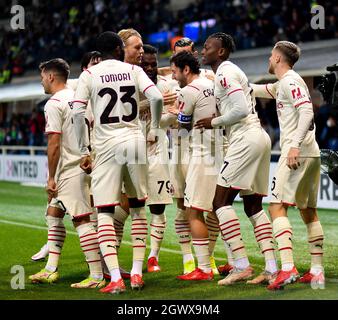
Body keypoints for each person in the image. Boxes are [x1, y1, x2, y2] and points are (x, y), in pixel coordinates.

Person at [72, 31, 163, 294]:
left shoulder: (90, 74)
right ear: (118, 48)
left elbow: (78, 112)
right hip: (135, 141)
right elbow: (156, 97)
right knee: (137, 208)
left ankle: (114, 277)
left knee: (105, 211)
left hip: (107, 144)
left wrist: (84, 149)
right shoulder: (132, 71)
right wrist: (154, 129)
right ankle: (136, 273)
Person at [196, 32, 277, 286]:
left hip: (245, 137)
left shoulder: (225, 72)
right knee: (253, 206)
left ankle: (241, 265)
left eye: (207, 47)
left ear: (220, 51)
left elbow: (240, 109)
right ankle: (272, 268)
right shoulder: (227, 72)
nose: (203, 50)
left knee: (220, 202)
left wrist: (214, 122)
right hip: (258, 137)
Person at [252, 41, 324, 290]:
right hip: (310, 153)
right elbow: (264, 90)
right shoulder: (286, 83)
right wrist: (239, 86)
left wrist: (293, 146)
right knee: (308, 210)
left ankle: (287, 267)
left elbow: (306, 112)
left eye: (271, 56)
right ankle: (316, 271)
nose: (269, 60)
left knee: (276, 206)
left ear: (278, 58)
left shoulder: (291, 81)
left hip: (297, 153)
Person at [29, 58, 104, 289]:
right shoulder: (80, 99)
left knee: (82, 220)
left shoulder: (53, 103)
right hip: (85, 164)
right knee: (53, 213)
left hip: (71, 169)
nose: (42, 81)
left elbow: (54, 143)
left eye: (43, 76)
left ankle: (96, 275)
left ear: (51, 76)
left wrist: (50, 177)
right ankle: (51, 268)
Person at [166, 37, 222, 276]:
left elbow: (183, 127)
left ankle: (203, 267)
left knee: (193, 209)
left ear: (186, 69)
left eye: (175, 72)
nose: (174, 76)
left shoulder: (188, 90)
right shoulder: (214, 83)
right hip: (219, 150)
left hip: (199, 154)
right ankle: (214, 261)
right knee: (217, 208)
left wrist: (174, 114)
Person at [139, 44, 175, 272]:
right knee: (132, 206)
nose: (151, 68)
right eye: (146, 64)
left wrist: (157, 122)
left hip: (158, 152)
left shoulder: (166, 86)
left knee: (158, 207)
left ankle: (153, 256)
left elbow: (173, 114)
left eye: (154, 64)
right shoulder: (130, 84)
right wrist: (153, 102)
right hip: (132, 153)